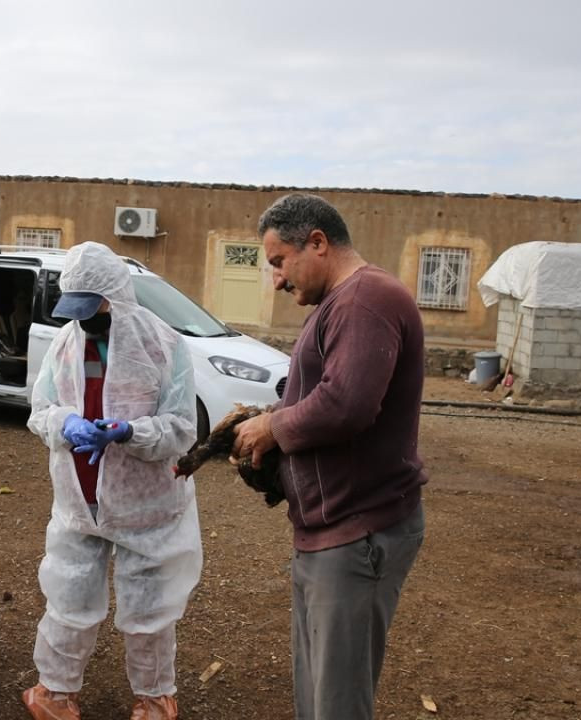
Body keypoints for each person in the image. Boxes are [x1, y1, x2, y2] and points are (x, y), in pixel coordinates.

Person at [230, 193, 427, 720]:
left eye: (278, 262)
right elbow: (328, 397)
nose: (275, 279)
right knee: (318, 691)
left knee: (337, 701)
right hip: (331, 530)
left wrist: (273, 426)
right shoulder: (343, 302)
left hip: (358, 532)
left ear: (316, 242)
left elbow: (346, 405)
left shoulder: (365, 299)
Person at [22, 242, 201, 720]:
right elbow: (40, 411)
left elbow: (183, 429)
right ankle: (54, 692)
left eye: (93, 308)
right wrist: (66, 424)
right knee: (68, 595)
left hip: (147, 506)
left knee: (150, 608)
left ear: (117, 299)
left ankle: (154, 697)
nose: (84, 320)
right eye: (76, 310)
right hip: (79, 500)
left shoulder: (163, 346)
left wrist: (130, 432)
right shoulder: (64, 344)